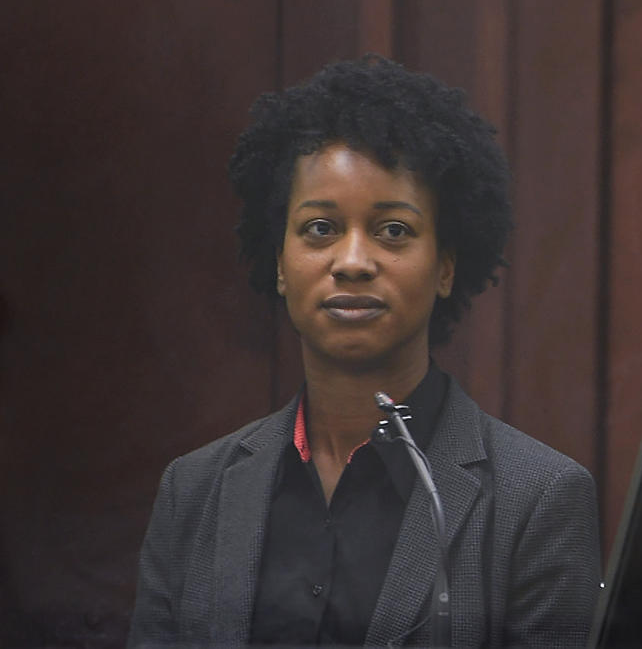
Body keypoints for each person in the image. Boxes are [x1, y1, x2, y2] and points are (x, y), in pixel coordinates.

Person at [128, 55, 602, 648]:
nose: (352, 261)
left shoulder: (538, 498)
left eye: (393, 230)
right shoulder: (194, 489)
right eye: (320, 229)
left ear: (447, 266)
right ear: (279, 263)